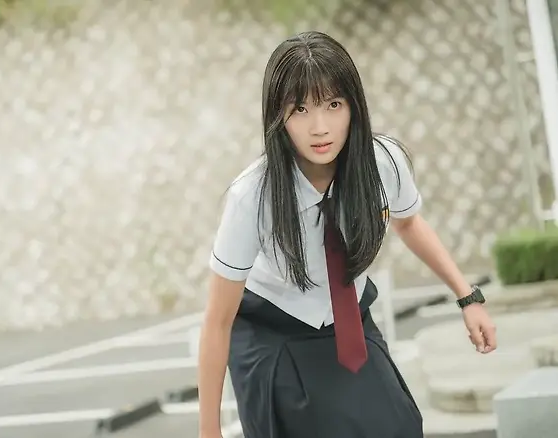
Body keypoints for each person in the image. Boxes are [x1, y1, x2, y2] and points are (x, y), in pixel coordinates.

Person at [197, 31, 497, 438]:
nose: (320, 128)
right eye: (300, 109)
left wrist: (467, 297)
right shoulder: (252, 196)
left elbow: (410, 223)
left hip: (350, 322)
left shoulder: (384, 162)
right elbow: (218, 321)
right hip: (273, 336)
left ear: (354, 105)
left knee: (399, 425)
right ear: (277, 117)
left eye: (333, 105)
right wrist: (209, 431)